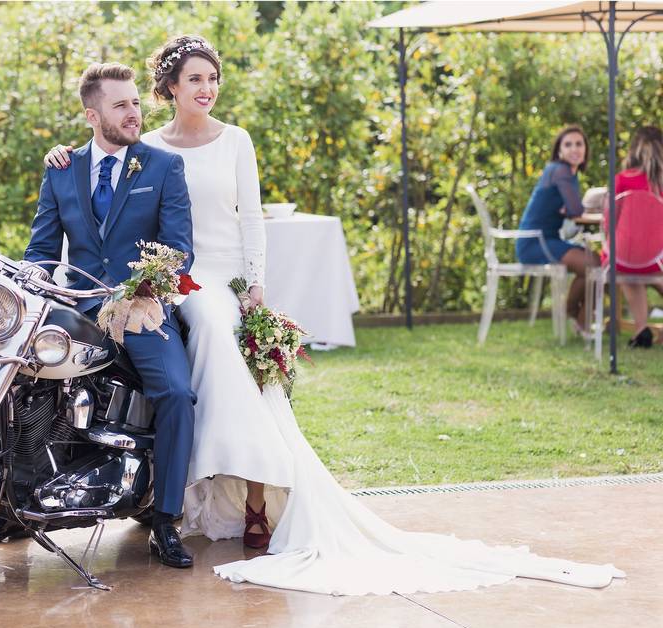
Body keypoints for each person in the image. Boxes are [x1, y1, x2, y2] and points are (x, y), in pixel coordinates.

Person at [40, 35, 624, 596]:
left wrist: (255, 285)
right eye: (196, 78)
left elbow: (249, 220)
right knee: (189, 346)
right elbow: (103, 167)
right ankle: (180, 484)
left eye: (213, 78)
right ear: (170, 85)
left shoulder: (234, 140)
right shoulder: (149, 147)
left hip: (203, 273)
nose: (208, 87)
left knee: (216, 334)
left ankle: (237, 472)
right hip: (168, 280)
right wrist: (62, 157)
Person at [0, 62, 198, 569]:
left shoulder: (161, 167)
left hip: (141, 310)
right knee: (5, 373)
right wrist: (28, 282)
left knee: (177, 393)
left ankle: (165, 519)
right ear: (93, 115)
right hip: (77, 309)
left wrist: (141, 290)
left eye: (135, 102)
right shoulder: (62, 169)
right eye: (121, 105)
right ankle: (10, 506)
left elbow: (179, 251)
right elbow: (42, 248)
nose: (134, 112)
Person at [516, 126, 600, 336]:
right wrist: (572, 210)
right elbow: (575, 210)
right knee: (593, 264)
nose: (574, 149)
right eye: (568, 144)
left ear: (585, 150)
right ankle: (575, 316)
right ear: (559, 151)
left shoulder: (567, 174)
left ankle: (579, 319)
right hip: (535, 242)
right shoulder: (560, 170)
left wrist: (571, 210)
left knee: (597, 262)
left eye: (579, 144)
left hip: (549, 239)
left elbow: (572, 210)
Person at [605, 125, 663, 348]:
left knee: (627, 267)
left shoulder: (622, 179)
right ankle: (641, 328)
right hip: (657, 259)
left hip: (623, 260)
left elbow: (610, 222)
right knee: (649, 269)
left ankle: (640, 329)